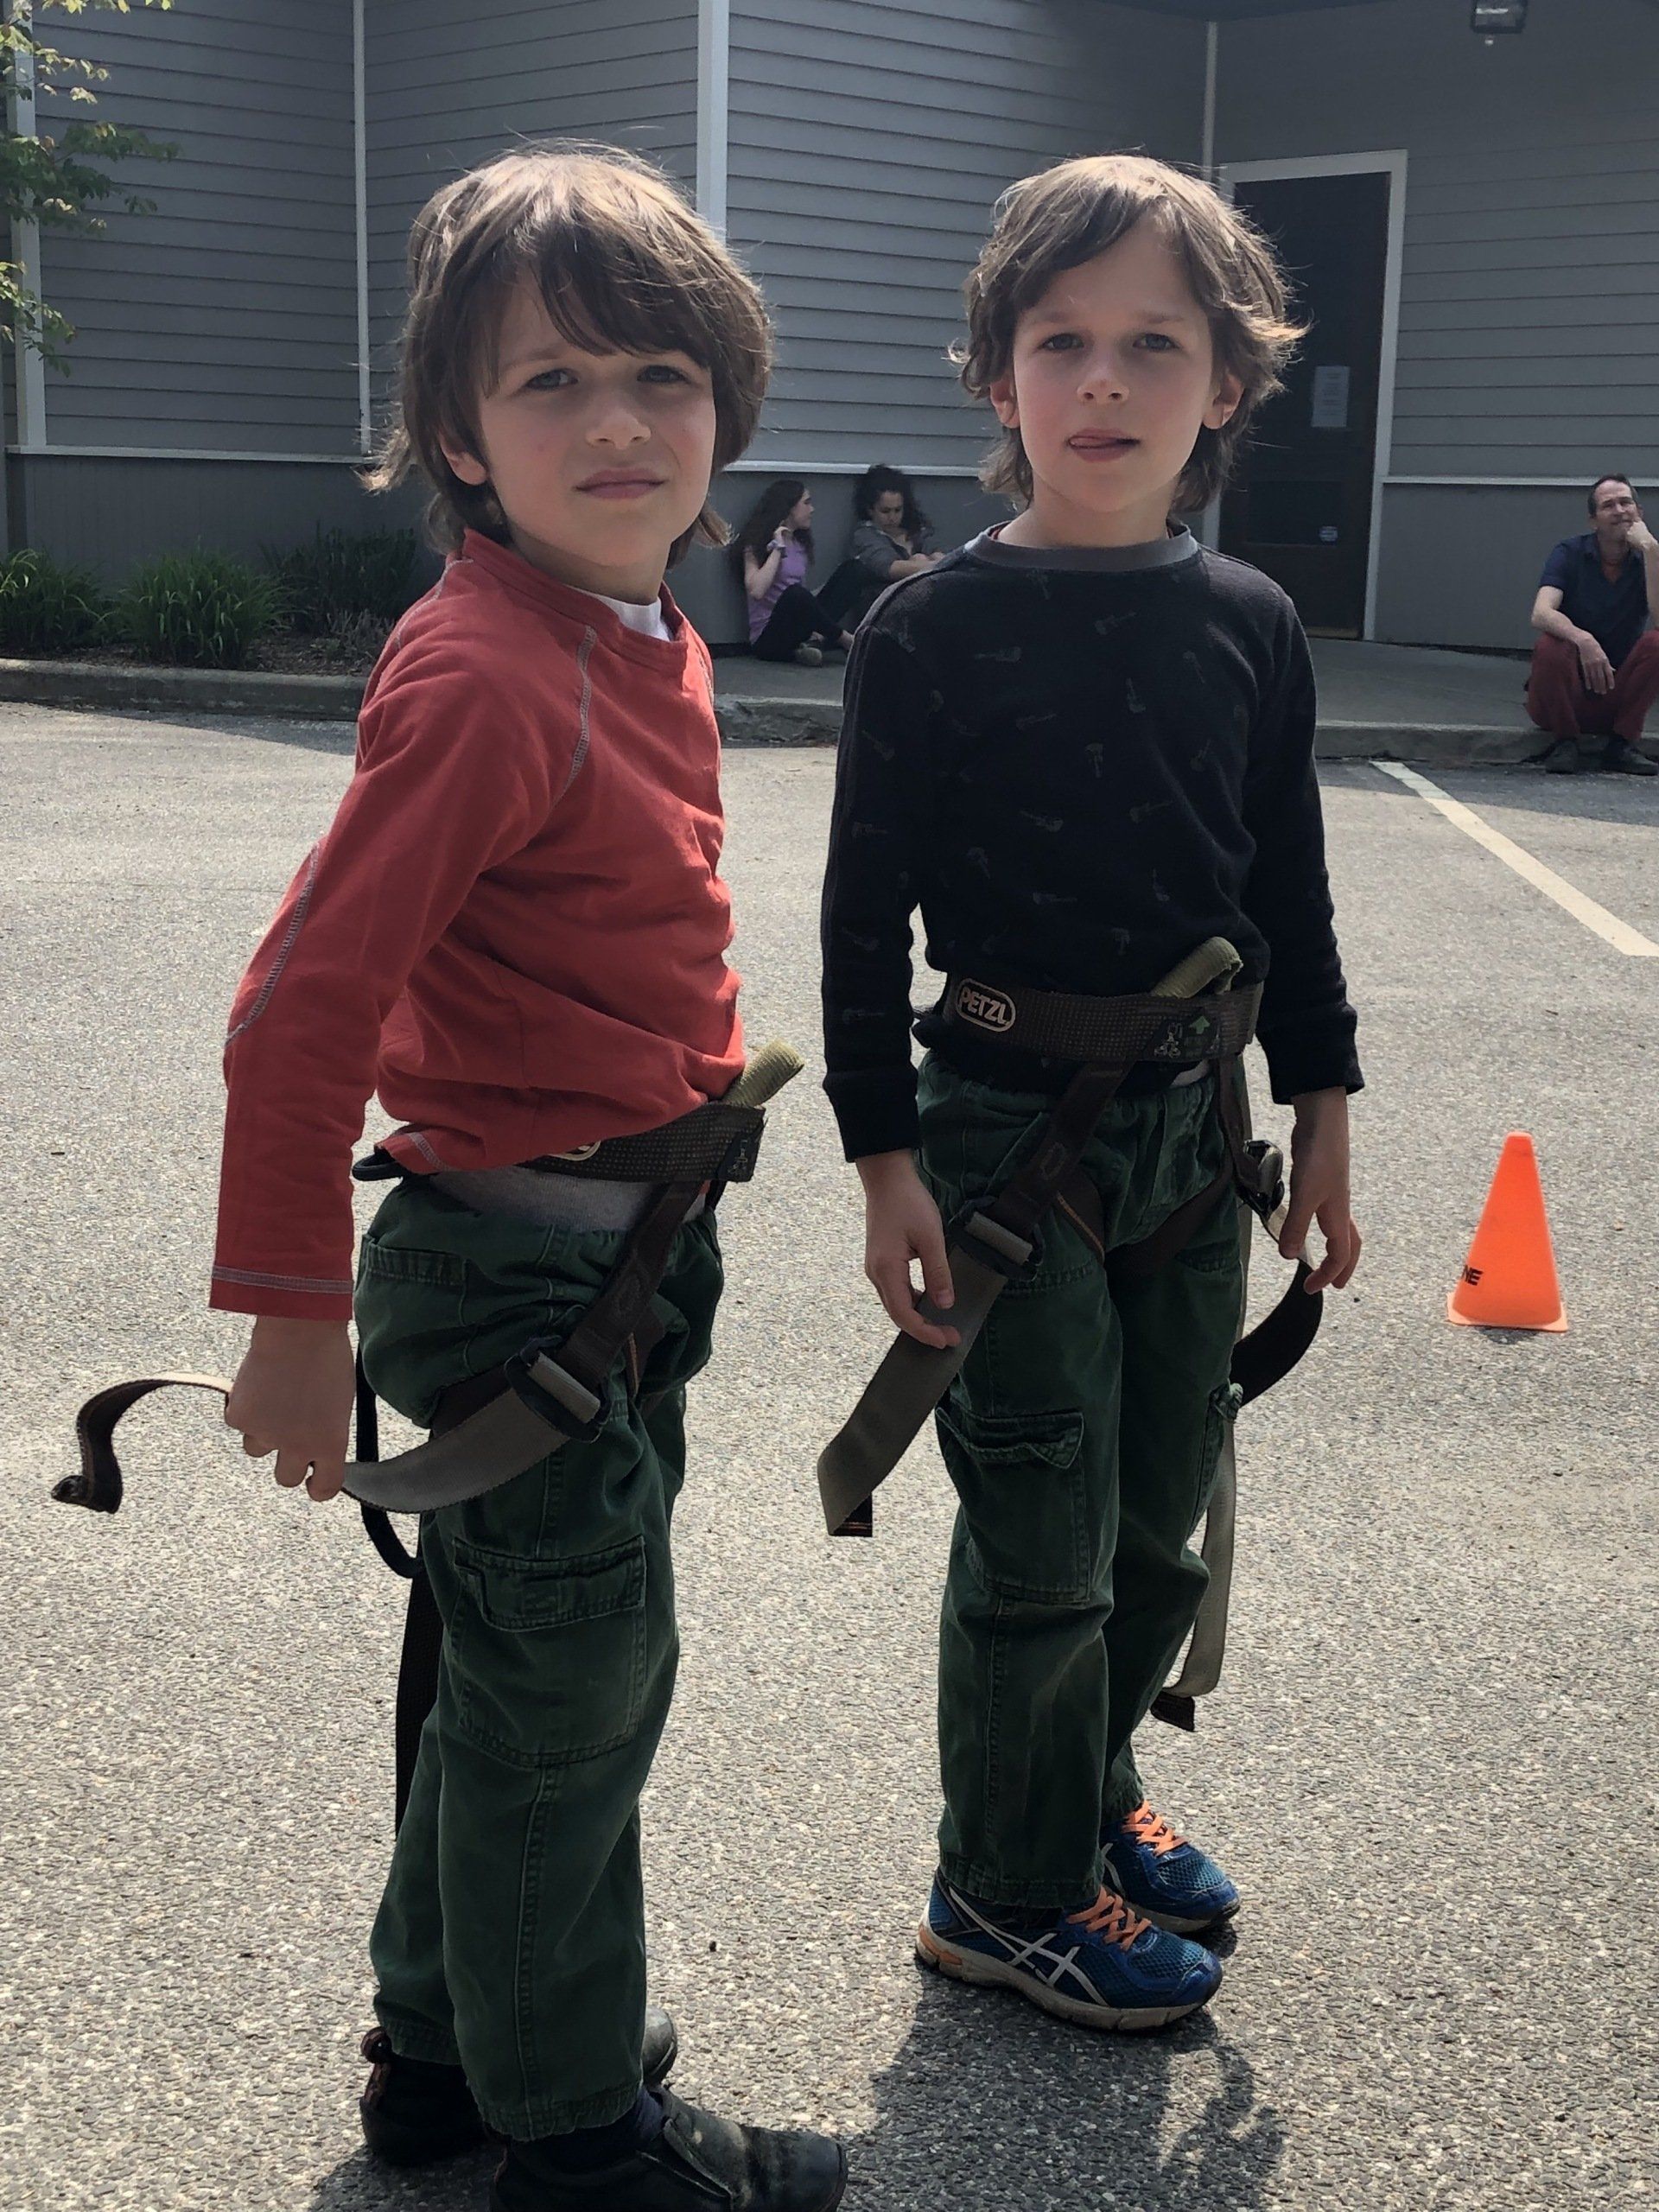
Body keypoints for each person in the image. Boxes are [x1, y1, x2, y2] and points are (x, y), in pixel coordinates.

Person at [212, 145, 844, 2212]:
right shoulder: (483, 669)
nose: (616, 420)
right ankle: (578, 2133)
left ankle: (442, 2052)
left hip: (612, 1251)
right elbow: (302, 1010)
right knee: (574, 1698)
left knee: (523, 1679)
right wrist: (294, 1319)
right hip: (519, 1274)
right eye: (552, 381)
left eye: (659, 372)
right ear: (460, 443)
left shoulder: (632, 623)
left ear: (723, 410)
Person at [821, 154, 1362, 2036]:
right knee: (1041, 1527)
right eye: (1064, 341)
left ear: (1227, 383)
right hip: (998, 1138)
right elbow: (854, 916)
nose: (1107, 381)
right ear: (998, 374)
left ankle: (1089, 1782)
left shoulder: (1252, 621)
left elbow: (1283, 888)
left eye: (1157, 344)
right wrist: (881, 1159)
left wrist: (1330, 1114)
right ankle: (1006, 1883)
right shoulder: (926, 628)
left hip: (1199, 1144)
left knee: (1156, 1507)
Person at [1528, 474, 1659, 774]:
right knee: (1551, 644)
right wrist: (1584, 640)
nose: (1620, 510)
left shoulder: (1650, 559)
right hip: (1560, 699)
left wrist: (1652, 551)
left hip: (1613, 697)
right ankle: (1565, 744)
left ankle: (1621, 745)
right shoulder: (1569, 553)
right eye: (1608, 505)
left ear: (1639, 513)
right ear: (1593, 521)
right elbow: (1541, 613)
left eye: (1626, 502)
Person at [735, 478, 854, 663]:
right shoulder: (755, 544)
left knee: (851, 570)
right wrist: (777, 547)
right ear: (789, 507)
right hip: (768, 638)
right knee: (796, 594)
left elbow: (803, 597)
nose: (812, 509)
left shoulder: (800, 543)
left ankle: (810, 645)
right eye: (806, 503)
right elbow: (757, 591)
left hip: (797, 625)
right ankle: (847, 641)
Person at [818, 463, 941, 629]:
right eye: (885, 511)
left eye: (898, 510)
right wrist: (937, 566)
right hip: (881, 606)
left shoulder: (917, 530)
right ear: (870, 509)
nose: (892, 517)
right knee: (920, 559)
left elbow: (938, 551)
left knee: (922, 558)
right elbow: (890, 567)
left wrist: (938, 562)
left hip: (919, 604)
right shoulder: (865, 535)